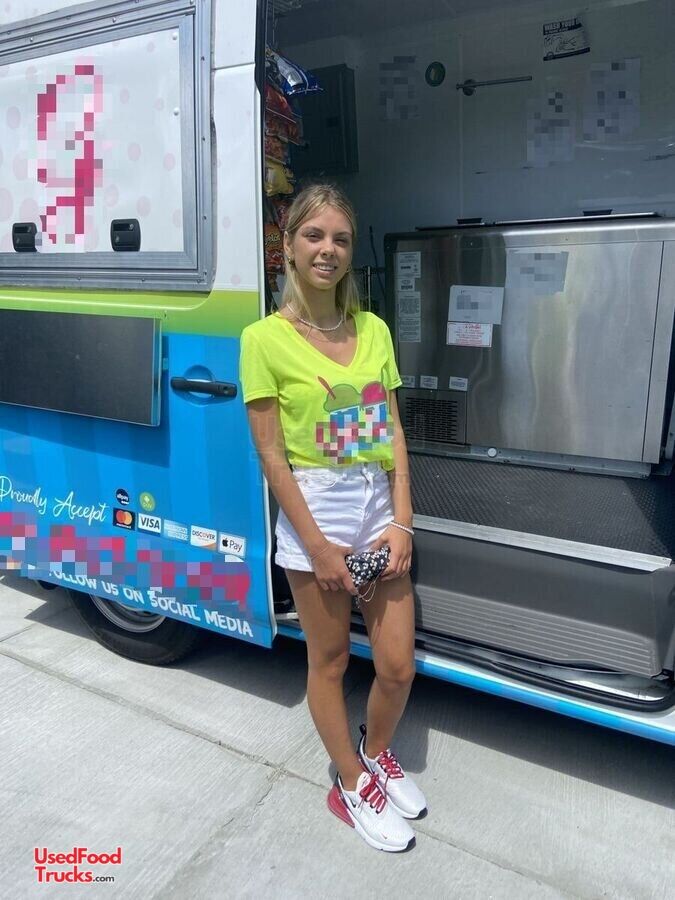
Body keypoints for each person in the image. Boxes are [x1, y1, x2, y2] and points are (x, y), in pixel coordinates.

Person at [240, 184, 426, 852]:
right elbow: (272, 455)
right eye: (313, 236)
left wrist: (402, 519)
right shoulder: (263, 339)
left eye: (340, 238)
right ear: (288, 246)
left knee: (397, 666)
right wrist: (316, 546)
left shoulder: (372, 329)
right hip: (315, 510)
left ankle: (374, 752)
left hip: (376, 502)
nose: (328, 250)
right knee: (329, 661)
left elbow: (391, 430)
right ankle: (349, 781)